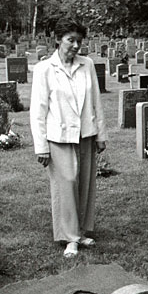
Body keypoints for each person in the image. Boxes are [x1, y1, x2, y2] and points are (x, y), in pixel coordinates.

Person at [30, 18, 107, 258]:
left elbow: (96, 101)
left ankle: (80, 231)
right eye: (70, 40)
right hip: (59, 136)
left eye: (79, 41)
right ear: (57, 39)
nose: (75, 45)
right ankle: (70, 238)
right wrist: (41, 147)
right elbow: (38, 110)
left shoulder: (87, 65)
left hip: (85, 133)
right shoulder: (45, 69)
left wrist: (101, 134)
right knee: (66, 185)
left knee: (84, 183)